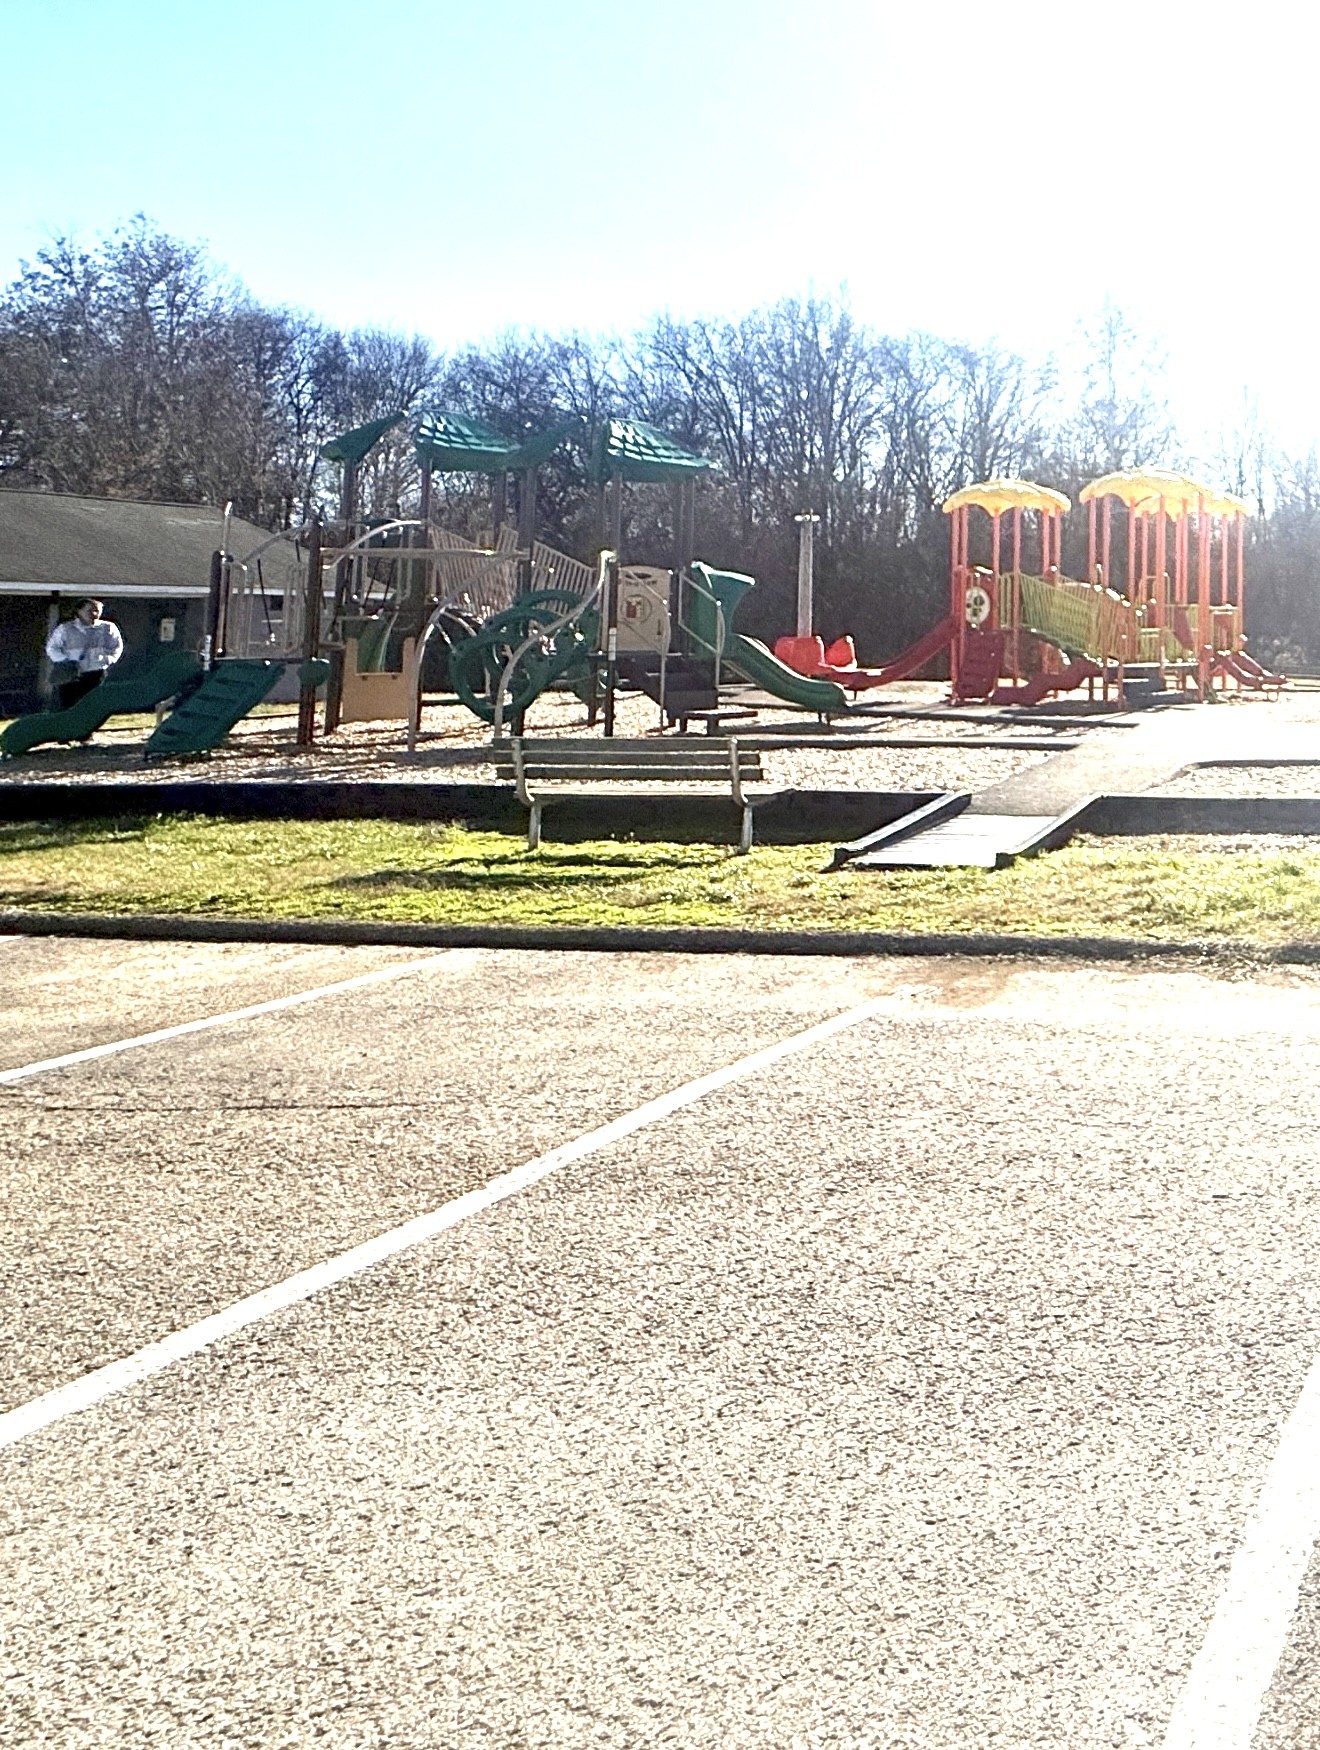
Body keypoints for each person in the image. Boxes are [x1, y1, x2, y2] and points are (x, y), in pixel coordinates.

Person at [45, 598, 124, 713]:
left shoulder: (108, 628)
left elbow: (116, 647)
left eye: (97, 611)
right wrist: (65, 661)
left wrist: (107, 660)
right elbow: (52, 648)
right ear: (79, 611)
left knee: (93, 703)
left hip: (96, 671)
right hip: (71, 672)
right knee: (69, 703)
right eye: (89, 610)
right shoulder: (66, 629)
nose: (94, 614)